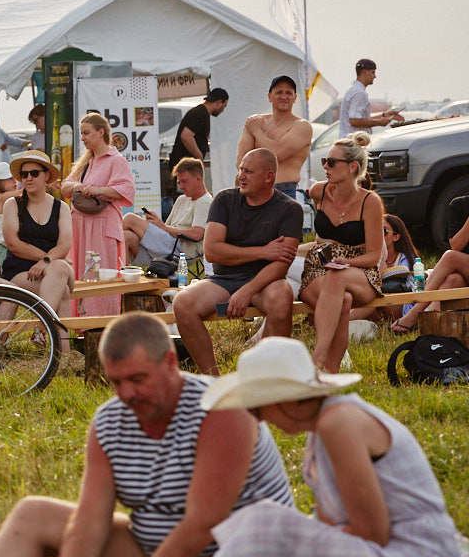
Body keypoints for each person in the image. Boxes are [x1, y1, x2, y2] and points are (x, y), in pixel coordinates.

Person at [0, 313, 293, 557]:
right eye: (116, 382)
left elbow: (202, 524)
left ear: (171, 363)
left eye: (138, 379)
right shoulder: (110, 421)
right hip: (155, 555)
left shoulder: (222, 409)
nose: (126, 394)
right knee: (33, 514)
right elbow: (91, 517)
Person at [152, 337, 462, 557]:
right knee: (262, 547)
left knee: (262, 521)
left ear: (283, 400)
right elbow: (332, 533)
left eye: (256, 410)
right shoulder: (324, 430)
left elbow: (372, 534)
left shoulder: (337, 422)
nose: (260, 420)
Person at [171, 149, 302, 376]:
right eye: (241, 169)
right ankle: (212, 379)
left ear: (269, 176)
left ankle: (269, 377)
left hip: (265, 281)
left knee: (282, 296)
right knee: (182, 303)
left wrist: (247, 291)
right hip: (223, 279)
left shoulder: (290, 209)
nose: (241, 176)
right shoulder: (225, 199)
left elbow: (282, 264)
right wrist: (262, 252)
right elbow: (212, 251)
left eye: (248, 171)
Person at [299, 132, 384, 373]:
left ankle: (318, 357)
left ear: (352, 167)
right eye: (324, 161)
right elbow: (319, 236)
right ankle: (332, 373)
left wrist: (346, 260)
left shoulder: (370, 202)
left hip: (359, 270)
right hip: (318, 266)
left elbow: (374, 256)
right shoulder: (319, 191)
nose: (325, 166)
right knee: (343, 300)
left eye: (331, 162)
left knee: (337, 277)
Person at [61, 112, 135, 315]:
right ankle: (79, 322)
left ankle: (100, 322)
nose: (83, 138)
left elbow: (127, 190)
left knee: (102, 274)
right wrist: (77, 185)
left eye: (86, 133)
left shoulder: (116, 160)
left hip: (102, 225)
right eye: (81, 133)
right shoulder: (86, 162)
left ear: (101, 132)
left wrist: (98, 190)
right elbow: (64, 187)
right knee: (79, 272)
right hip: (80, 225)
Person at [1, 151, 75, 345]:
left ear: (46, 176)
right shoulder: (13, 204)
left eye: (34, 173)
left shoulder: (61, 207)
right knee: (62, 288)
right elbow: (13, 244)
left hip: (53, 268)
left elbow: (65, 244)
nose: (28, 178)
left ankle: (43, 330)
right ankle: (62, 350)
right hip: (20, 270)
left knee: (59, 271)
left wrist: (46, 262)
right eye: (24, 174)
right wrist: (46, 260)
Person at [124, 157, 212, 268]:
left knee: (130, 218)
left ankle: (102, 244)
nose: (181, 186)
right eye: (179, 182)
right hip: (169, 244)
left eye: (184, 181)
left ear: (198, 179)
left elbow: (196, 235)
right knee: (126, 236)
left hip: (180, 249)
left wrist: (163, 227)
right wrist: (157, 223)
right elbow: (166, 227)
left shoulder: (204, 202)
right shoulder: (182, 199)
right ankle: (121, 275)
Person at [391, 209, 469, 334]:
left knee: (450, 257)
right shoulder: (459, 205)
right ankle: (430, 324)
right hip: (464, 275)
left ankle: (416, 313)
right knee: (452, 280)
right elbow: (456, 246)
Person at [235, 75, 312, 198]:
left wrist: (257, 132)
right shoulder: (256, 121)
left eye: (288, 93)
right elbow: (242, 160)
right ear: (269, 96)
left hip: (284, 191)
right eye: (279, 92)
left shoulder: (302, 126)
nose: (283, 97)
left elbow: (276, 154)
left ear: (295, 98)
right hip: (255, 190)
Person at [167, 88, 228, 173]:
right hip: (185, 166)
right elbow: (186, 136)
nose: (223, 110)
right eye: (224, 106)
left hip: (188, 165)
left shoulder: (203, 113)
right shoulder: (199, 113)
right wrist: (199, 156)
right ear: (218, 102)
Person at [338, 58, 402, 137]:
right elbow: (354, 121)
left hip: (350, 140)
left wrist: (384, 115)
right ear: (365, 72)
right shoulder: (359, 93)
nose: (375, 76)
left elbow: (361, 118)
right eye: (373, 72)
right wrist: (379, 122)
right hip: (353, 141)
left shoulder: (353, 91)